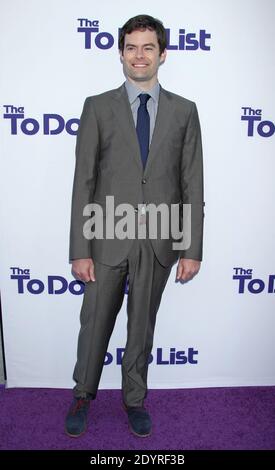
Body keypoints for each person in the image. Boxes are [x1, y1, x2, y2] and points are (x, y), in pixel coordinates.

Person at [65, 14, 204, 438]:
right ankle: (83, 394)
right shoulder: (97, 107)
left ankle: (134, 399)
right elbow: (83, 181)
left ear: (163, 54)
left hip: (160, 241)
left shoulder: (184, 111)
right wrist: (80, 248)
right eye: (131, 47)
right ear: (121, 54)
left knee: (142, 325)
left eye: (148, 47)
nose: (139, 55)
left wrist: (191, 247)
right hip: (105, 236)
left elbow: (191, 181)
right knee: (96, 324)